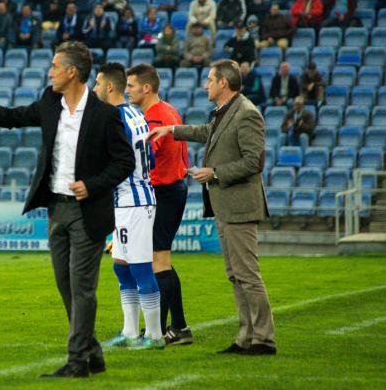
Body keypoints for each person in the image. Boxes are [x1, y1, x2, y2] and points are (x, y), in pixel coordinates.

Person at [0, 41, 135, 378]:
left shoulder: (105, 114)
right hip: (56, 209)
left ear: (71, 72)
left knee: (82, 287)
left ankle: (77, 360)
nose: (50, 71)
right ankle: (93, 353)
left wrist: (92, 184)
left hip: (87, 211)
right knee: (65, 285)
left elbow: (125, 161)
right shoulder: (50, 104)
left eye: (55, 66)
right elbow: (13, 117)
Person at [148, 59, 276, 356]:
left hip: (240, 205)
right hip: (225, 205)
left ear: (223, 83)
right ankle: (246, 337)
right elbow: (207, 132)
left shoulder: (247, 114)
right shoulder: (227, 112)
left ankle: (264, 339)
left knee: (248, 274)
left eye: (210, 79)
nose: (205, 84)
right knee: (236, 274)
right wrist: (172, 130)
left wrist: (214, 173)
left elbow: (253, 162)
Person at [93, 63, 164, 350]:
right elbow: (150, 161)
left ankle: (155, 335)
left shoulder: (114, 118)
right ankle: (130, 332)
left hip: (132, 202)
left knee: (140, 268)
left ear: (110, 87)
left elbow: (116, 163)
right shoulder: (137, 114)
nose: (94, 88)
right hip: (132, 199)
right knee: (122, 267)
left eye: (98, 83)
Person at [125, 64, 194, 345]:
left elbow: (144, 159)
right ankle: (179, 327)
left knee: (158, 262)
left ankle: (160, 330)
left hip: (163, 193)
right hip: (173, 190)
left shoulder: (154, 118)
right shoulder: (168, 110)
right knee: (162, 260)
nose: (127, 90)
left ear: (146, 87)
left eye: (130, 85)